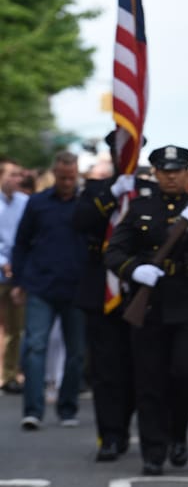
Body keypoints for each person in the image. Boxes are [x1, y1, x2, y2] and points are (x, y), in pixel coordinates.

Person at [104, 145, 188, 475]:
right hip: (149, 305)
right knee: (150, 380)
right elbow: (114, 252)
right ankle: (154, 449)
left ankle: (178, 432)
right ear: (156, 174)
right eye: (165, 171)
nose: (172, 176)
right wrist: (134, 270)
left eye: (177, 171)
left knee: (187, 373)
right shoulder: (140, 208)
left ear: (187, 174)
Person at [71, 131, 156, 461]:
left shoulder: (150, 190)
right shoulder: (95, 190)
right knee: (106, 370)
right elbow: (79, 222)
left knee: (139, 367)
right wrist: (111, 194)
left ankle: (126, 426)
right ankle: (109, 436)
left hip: (140, 289)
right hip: (102, 287)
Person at [12, 151, 88, 430]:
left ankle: (67, 408)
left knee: (76, 351)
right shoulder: (37, 203)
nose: (67, 182)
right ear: (54, 174)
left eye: (71, 177)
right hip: (41, 285)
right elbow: (21, 243)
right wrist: (19, 281)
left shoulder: (86, 204)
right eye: (62, 177)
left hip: (76, 288)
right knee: (35, 348)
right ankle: (33, 409)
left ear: (77, 174)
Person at [0, 158, 29, 394]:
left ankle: (9, 375)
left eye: (18, 175)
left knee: (14, 328)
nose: (16, 179)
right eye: (11, 175)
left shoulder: (24, 203)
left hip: (16, 275)